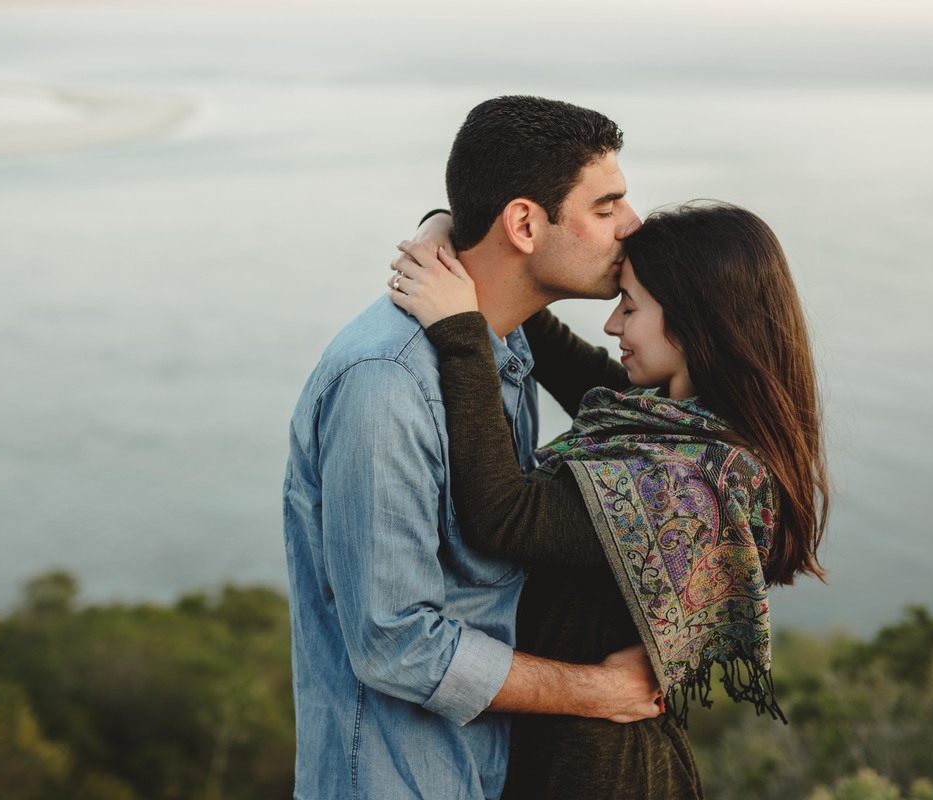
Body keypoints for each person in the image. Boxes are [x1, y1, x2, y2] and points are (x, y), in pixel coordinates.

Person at [282, 95, 663, 800]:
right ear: (525, 224)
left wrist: (439, 225)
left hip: (479, 771)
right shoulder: (388, 383)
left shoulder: (499, 343)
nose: (632, 224)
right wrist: (598, 690)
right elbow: (394, 641)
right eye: (607, 206)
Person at [388, 201, 829, 799]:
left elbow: (504, 515)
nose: (612, 324)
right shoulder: (673, 419)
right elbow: (554, 347)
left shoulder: (689, 483)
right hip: (574, 752)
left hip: (596, 772)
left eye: (630, 305)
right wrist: (452, 234)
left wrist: (461, 333)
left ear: (695, 322)